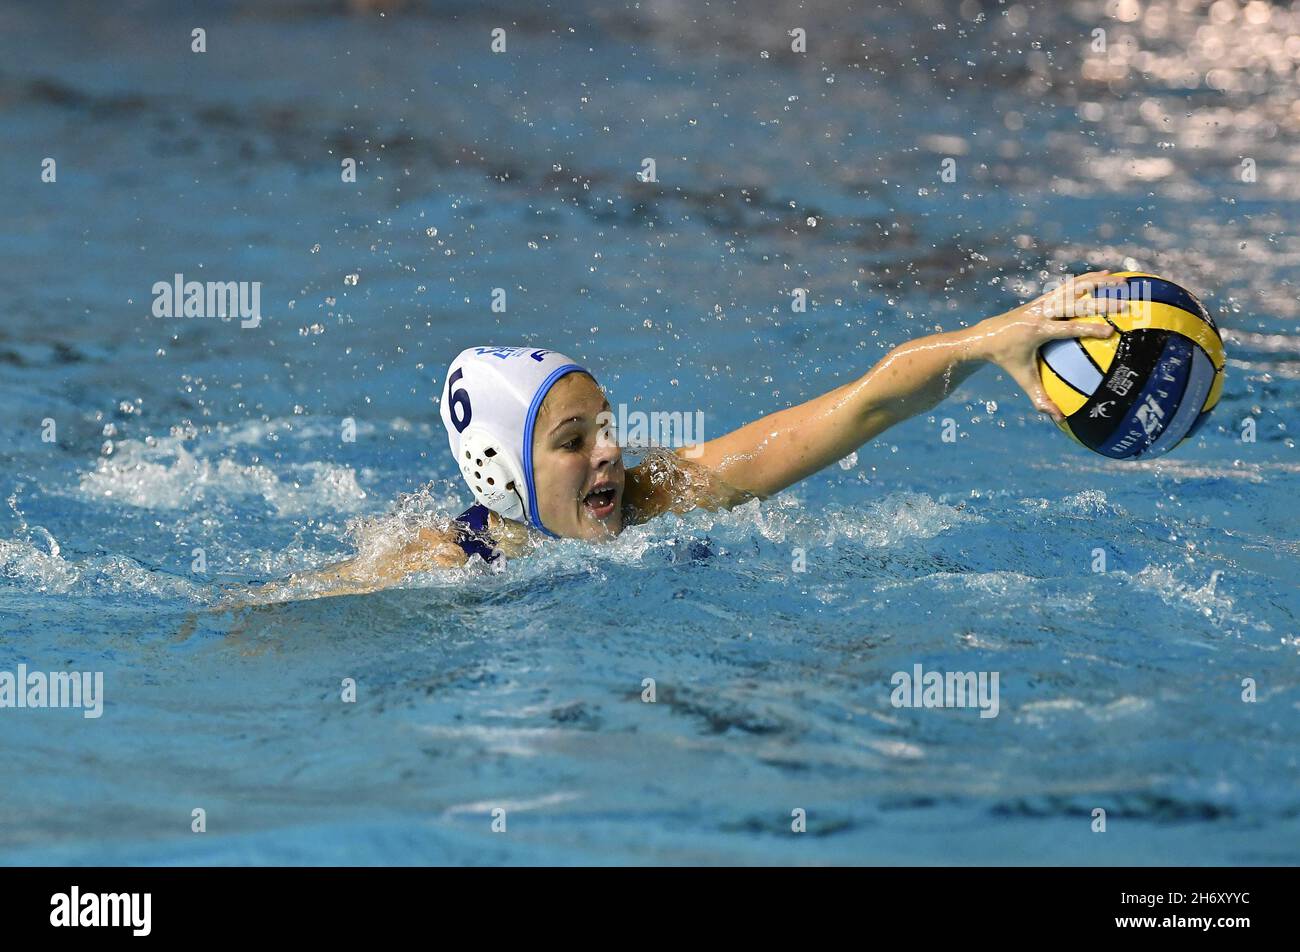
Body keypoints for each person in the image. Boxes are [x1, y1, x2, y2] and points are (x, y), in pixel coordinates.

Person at [263, 270, 1125, 599]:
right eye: (572, 441)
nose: (608, 452)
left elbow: (863, 404)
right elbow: (281, 609)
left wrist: (996, 336)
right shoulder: (445, 564)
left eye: (605, 429)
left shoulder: (663, 496)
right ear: (500, 471)